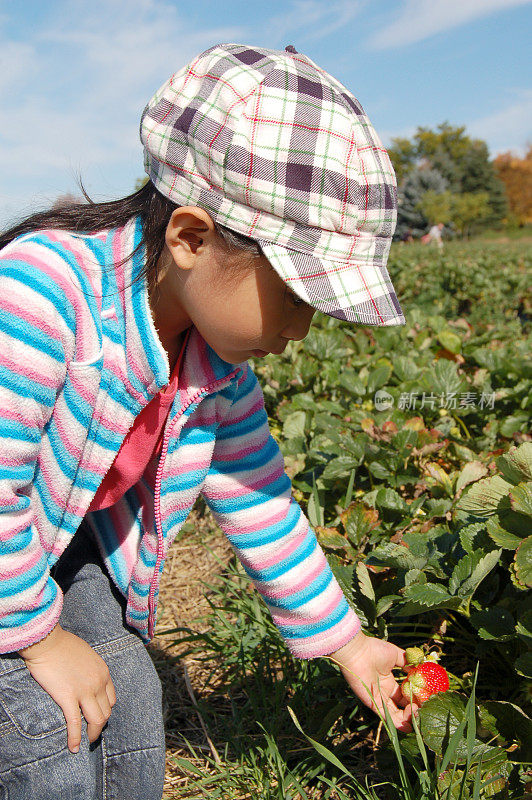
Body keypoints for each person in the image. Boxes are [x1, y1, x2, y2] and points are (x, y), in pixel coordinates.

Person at [0, 43, 415, 799]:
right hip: (10, 549)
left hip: (46, 544)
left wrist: (347, 643)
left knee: (127, 685)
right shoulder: (41, 294)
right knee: (42, 731)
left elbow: (259, 500)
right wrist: (38, 637)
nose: (300, 331)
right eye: (295, 297)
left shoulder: (215, 366)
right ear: (191, 239)